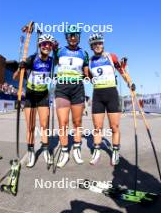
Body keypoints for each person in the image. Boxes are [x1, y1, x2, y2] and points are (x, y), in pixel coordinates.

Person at [88, 33, 135, 166]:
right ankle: (96, 150)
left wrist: (130, 83)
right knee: (97, 127)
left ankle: (115, 151)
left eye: (100, 43)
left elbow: (122, 71)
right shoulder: (90, 60)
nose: (98, 45)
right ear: (92, 46)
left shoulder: (111, 56)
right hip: (97, 95)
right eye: (95, 44)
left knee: (114, 126)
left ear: (103, 44)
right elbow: (90, 78)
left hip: (111, 94)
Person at [13, 34, 56, 167]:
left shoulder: (52, 61)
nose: (47, 46)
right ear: (39, 46)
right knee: (30, 127)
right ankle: (31, 151)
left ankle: (45, 150)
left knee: (44, 126)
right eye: (44, 44)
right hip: (31, 96)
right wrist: (20, 67)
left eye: (49, 44)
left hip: (43, 96)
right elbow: (15, 78)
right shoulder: (32, 59)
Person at [54, 25, 89, 168]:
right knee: (63, 123)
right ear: (67, 37)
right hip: (62, 88)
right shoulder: (59, 51)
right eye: (70, 35)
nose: (73, 37)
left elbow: (87, 73)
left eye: (75, 35)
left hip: (77, 89)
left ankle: (76, 149)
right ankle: (64, 152)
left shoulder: (84, 53)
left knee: (77, 122)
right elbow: (49, 61)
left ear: (79, 37)